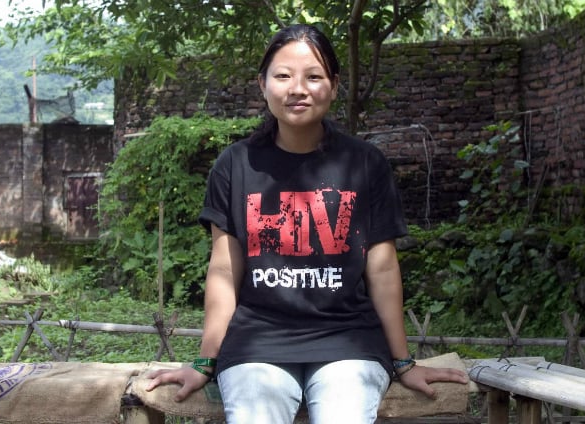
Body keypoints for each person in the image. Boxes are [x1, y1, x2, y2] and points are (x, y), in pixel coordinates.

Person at [146, 23, 468, 424]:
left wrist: (403, 362)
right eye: (283, 76)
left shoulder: (365, 163)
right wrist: (204, 361)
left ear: (334, 86)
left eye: (314, 77)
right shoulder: (235, 165)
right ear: (262, 84)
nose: (298, 89)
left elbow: (383, 269)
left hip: (349, 342)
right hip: (257, 344)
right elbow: (225, 270)